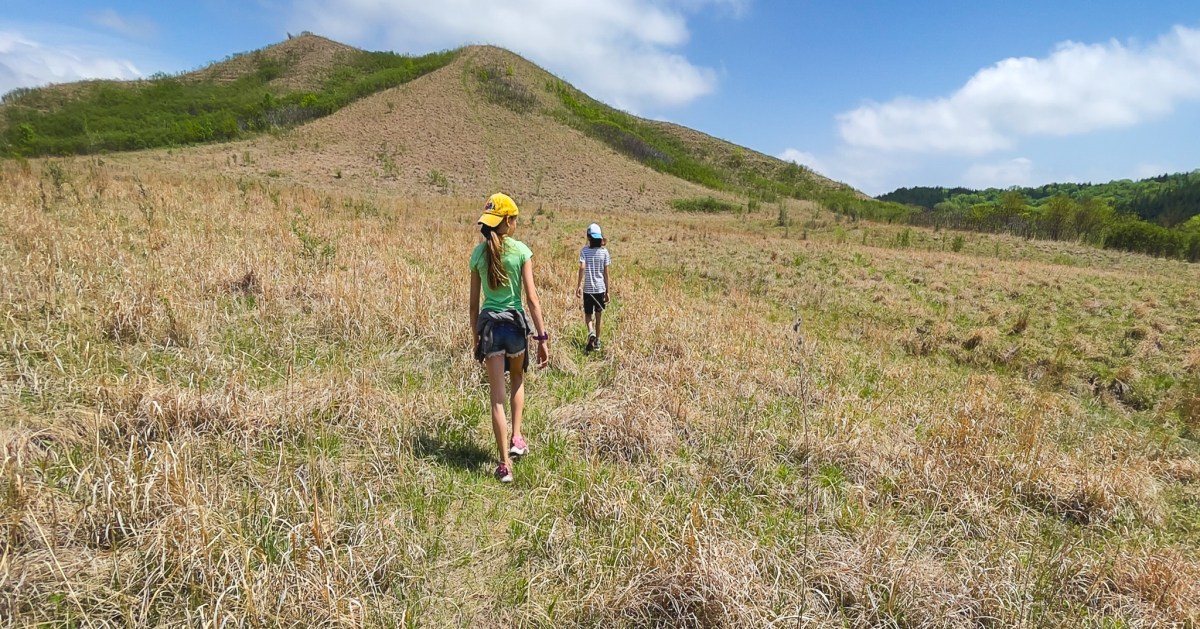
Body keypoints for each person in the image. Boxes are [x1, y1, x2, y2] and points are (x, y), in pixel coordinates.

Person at [469, 193, 549, 483]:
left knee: (496, 399)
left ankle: (504, 465)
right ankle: (517, 437)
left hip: (490, 328)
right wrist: (542, 337)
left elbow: (473, 305)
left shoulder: (478, 255)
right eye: (514, 219)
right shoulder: (521, 252)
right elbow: (532, 299)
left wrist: (476, 338)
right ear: (508, 222)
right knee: (517, 379)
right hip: (516, 327)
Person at [575, 222, 611, 352]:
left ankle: (590, 331)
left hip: (588, 289)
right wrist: (608, 291)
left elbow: (582, 267)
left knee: (588, 314)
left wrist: (579, 285)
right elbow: (606, 273)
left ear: (588, 237)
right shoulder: (604, 252)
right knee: (598, 315)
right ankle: (597, 342)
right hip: (600, 289)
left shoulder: (584, 251)